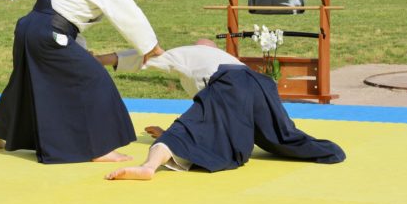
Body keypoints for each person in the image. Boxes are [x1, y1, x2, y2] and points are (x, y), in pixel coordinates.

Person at [0, 0, 164, 164]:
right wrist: (152, 47)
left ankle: (0, 136)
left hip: (29, 27)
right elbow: (129, 16)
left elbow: (67, 15)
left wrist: (82, 52)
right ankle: (99, 149)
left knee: (24, 82)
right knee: (94, 79)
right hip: (49, 32)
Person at [98, 40, 346, 180]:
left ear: (201, 45)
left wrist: (100, 60)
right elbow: (214, 115)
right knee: (283, 136)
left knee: (178, 135)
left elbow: (147, 56)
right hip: (260, 84)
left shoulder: (187, 53)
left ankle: (149, 167)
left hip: (231, 85)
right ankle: (329, 150)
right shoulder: (227, 58)